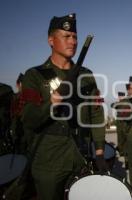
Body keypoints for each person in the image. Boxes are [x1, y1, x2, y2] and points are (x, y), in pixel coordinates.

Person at [21, 13, 106, 200]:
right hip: (48, 162)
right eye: (66, 36)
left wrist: (99, 151)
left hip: (80, 157)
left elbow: (96, 115)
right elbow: (28, 118)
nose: (73, 41)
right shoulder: (35, 76)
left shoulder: (87, 75)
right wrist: (53, 101)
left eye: (75, 37)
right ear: (51, 40)